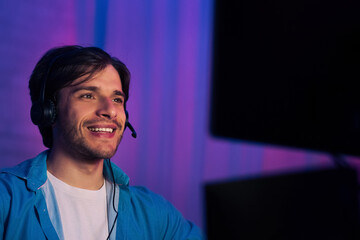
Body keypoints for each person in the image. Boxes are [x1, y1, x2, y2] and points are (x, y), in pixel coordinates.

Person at [0, 45, 202, 240]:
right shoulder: (6, 199)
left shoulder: (156, 215)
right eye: (88, 96)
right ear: (48, 111)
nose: (110, 110)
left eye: (117, 100)